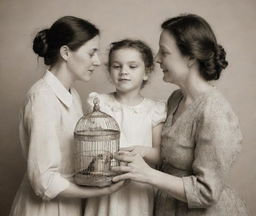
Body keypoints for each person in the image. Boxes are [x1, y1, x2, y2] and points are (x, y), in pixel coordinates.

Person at [112, 14, 250, 215]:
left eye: (164, 52)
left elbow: (207, 192)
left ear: (191, 57)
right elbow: (171, 158)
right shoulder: (176, 98)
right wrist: (140, 151)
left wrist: (147, 174)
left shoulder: (215, 111)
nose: (157, 58)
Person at [9, 16, 124, 216]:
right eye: (91, 53)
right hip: (43, 209)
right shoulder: (42, 98)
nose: (97, 62)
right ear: (66, 52)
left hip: (69, 205)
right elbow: (44, 182)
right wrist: (102, 191)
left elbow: (71, 159)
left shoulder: (73, 95)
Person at [83, 39, 166, 216]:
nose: (124, 72)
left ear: (147, 72)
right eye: (117, 66)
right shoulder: (99, 104)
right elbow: (88, 147)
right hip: (104, 186)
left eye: (132, 66)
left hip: (138, 189)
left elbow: (160, 155)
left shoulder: (154, 110)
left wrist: (141, 151)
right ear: (109, 71)